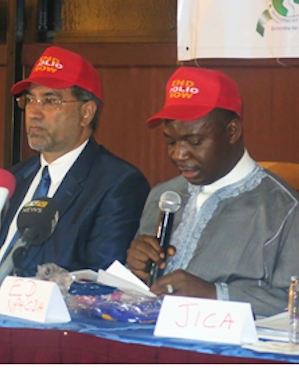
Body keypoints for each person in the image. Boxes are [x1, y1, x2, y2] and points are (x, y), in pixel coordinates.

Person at [0, 46, 150, 279]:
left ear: (86, 113)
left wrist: (11, 287)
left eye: (50, 101)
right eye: (30, 100)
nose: (34, 113)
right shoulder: (15, 178)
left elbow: (98, 278)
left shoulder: (118, 184)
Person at [126, 66, 299, 317]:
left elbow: (293, 303)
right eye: (171, 142)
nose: (178, 155)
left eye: (195, 142)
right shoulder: (163, 196)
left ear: (232, 132)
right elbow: (142, 290)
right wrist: (137, 268)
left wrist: (215, 295)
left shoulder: (283, 208)